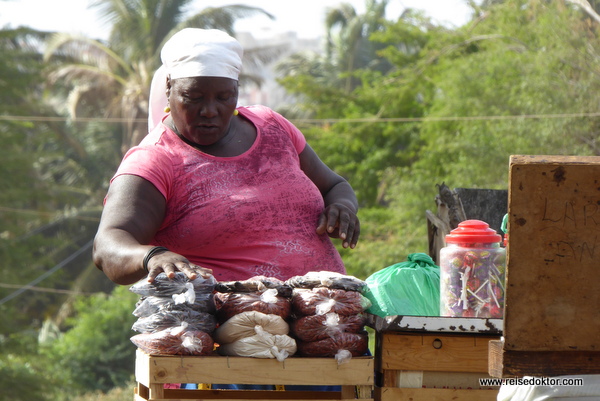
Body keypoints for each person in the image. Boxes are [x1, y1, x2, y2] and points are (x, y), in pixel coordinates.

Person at [92, 28, 360, 286]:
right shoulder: (156, 160)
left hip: (323, 315)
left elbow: (335, 186)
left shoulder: (272, 126)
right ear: (169, 87)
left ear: (236, 90)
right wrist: (153, 256)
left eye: (224, 97)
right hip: (228, 326)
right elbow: (108, 246)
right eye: (193, 97)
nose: (210, 110)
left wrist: (342, 207)